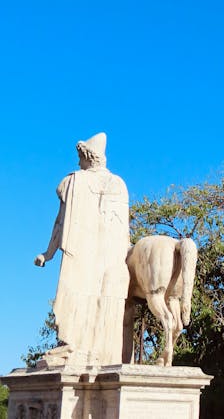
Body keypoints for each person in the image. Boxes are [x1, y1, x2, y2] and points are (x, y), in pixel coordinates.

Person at [34, 133, 130, 366]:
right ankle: (88, 350)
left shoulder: (73, 181)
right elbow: (124, 231)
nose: (78, 162)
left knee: (74, 297)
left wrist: (48, 253)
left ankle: (74, 347)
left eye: (80, 157)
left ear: (88, 157)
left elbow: (60, 222)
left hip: (82, 256)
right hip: (109, 259)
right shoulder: (118, 184)